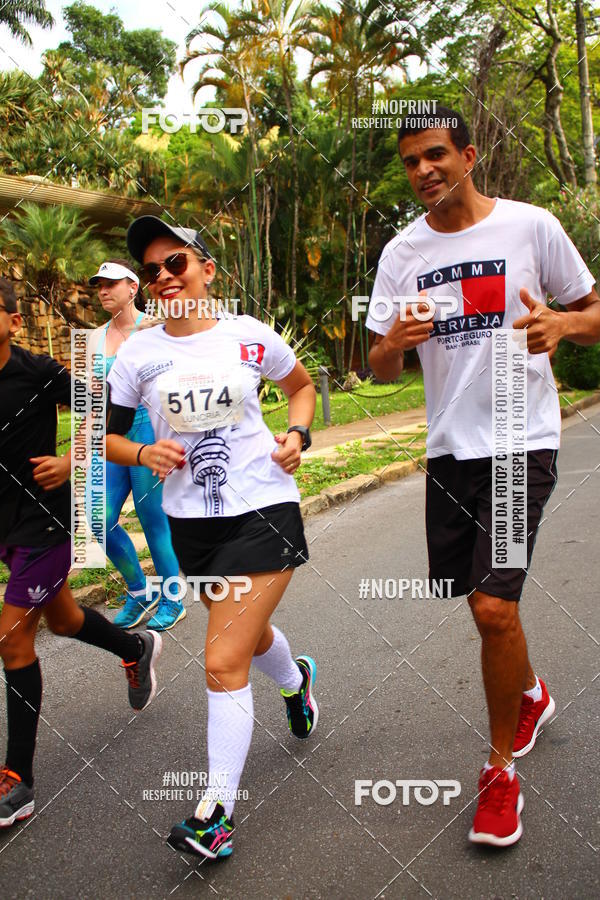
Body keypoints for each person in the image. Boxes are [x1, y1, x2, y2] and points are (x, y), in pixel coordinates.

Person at [366, 107, 600, 847]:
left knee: (495, 609)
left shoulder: (529, 227)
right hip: (450, 451)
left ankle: (500, 773)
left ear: (468, 155)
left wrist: (563, 325)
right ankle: (529, 694)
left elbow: (593, 311)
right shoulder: (401, 252)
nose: (423, 171)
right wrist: (393, 345)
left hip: (518, 440)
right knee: (477, 603)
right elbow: (376, 366)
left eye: (435, 155)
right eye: (410, 162)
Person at [105, 216, 319, 860]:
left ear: (205, 269)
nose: (163, 277)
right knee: (245, 637)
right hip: (193, 522)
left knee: (223, 657)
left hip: (264, 508)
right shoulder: (138, 354)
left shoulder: (249, 336)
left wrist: (298, 437)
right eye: (152, 271)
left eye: (175, 263)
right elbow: (105, 438)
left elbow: (301, 388)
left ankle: (215, 814)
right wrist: (143, 453)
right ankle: (295, 679)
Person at [0, 276, 161, 828]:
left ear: (14, 321)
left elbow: (104, 409)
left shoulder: (37, 372)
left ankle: (17, 779)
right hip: (5, 528)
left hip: (45, 525)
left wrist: (70, 460)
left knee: (12, 638)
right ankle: (135, 648)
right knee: (65, 620)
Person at [87, 259, 184, 631]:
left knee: (152, 518)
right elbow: (89, 397)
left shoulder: (156, 328)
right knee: (100, 519)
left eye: (111, 283)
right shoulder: (93, 338)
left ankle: (173, 598)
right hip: (110, 437)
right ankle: (139, 590)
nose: (103, 291)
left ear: (132, 287)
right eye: (99, 285)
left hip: (146, 429)